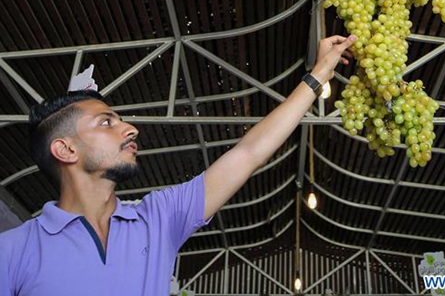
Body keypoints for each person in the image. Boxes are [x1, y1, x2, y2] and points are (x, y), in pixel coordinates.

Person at [0, 34, 356, 296]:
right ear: (65, 150)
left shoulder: (157, 219)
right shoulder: (14, 250)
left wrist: (318, 75)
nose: (130, 128)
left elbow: (249, 153)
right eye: (106, 123)